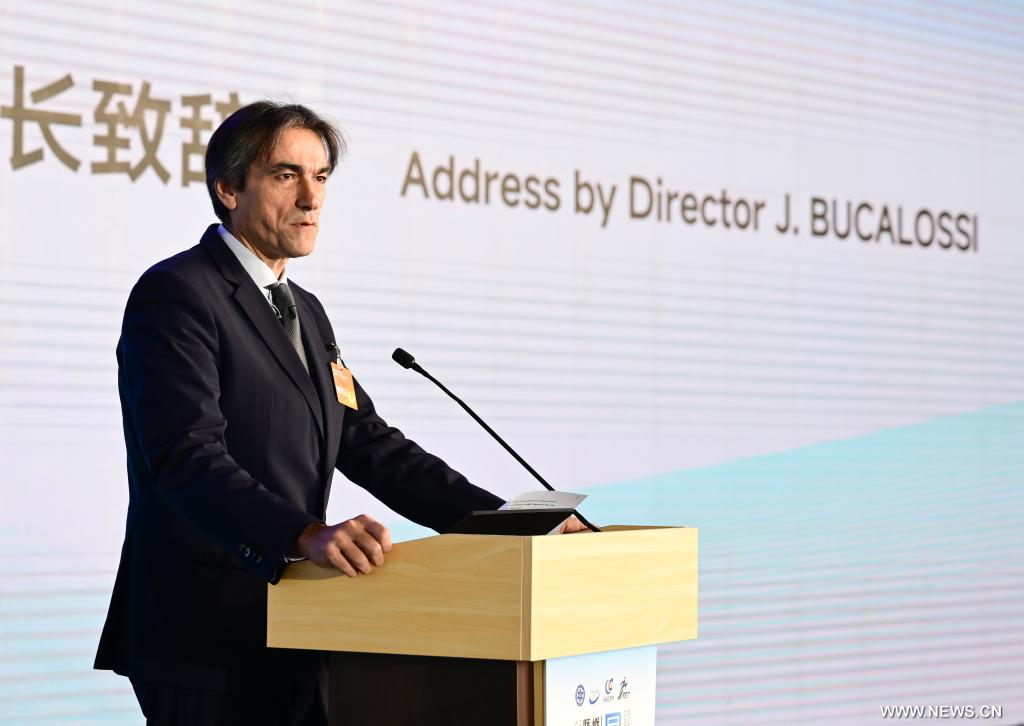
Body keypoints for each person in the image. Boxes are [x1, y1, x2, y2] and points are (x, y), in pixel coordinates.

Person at [94, 101, 582, 725]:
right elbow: (185, 459)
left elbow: (370, 444)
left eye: (320, 176)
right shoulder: (177, 294)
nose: (311, 198)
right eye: (286, 175)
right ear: (228, 188)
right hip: (205, 634)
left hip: (298, 626)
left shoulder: (305, 309)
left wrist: (506, 526)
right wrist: (303, 535)